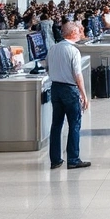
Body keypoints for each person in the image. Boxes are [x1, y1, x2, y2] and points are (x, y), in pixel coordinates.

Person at [47, 22, 90, 169]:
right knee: (74, 123)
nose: (80, 33)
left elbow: (48, 67)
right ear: (72, 33)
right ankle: (73, 158)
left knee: (56, 124)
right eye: (78, 31)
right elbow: (78, 75)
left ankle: (55, 159)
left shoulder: (53, 48)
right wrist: (84, 94)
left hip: (55, 88)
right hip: (69, 89)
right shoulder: (73, 51)